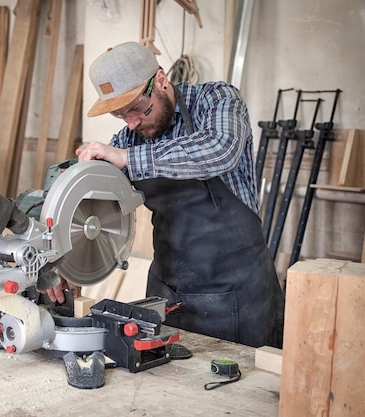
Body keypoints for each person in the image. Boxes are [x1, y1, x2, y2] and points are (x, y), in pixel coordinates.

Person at [46, 41, 284, 348]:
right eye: (121, 115)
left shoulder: (217, 99)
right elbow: (93, 207)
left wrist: (129, 159)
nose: (132, 122)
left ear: (160, 81)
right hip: (167, 293)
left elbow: (218, 149)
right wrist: (63, 260)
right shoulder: (129, 137)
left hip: (237, 296)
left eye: (137, 108)